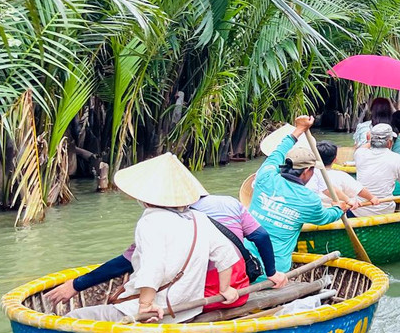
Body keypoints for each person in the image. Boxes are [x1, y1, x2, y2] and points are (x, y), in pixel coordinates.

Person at [63, 153, 244, 322]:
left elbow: (154, 265)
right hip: (188, 310)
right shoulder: (200, 219)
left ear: (146, 197)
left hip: (157, 311)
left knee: (72, 317)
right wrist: (225, 289)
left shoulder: (151, 222)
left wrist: (146, 304)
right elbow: (226, 254)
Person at [48, 188, 286, 309]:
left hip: (201, 295)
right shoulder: (228, 204)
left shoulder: (162, 221)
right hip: (237, 287)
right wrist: (272, 272)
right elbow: (261, 236)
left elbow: (128, 263)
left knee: (120, 295)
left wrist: (77, 284)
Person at [249, 117, 362, 273]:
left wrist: (299, 129)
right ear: (307, 171)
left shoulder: (265, 175)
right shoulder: (309, 199)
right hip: (274, 270)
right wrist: (340, 208)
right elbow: (325, 217)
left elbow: (279, 150)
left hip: (241, 257)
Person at [352, 124, 400, 215]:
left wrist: (371, 139)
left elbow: (364, 146)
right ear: (390, 143)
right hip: (385, 210)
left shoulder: (359, 153)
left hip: (360, 210)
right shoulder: (397, 158)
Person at [306, 141, 380, 208]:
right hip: (333, 214)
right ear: (335, 160)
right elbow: (360, 190)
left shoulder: (305, 173)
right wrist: (372, 198)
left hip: (310, 212)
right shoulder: (340, 176)